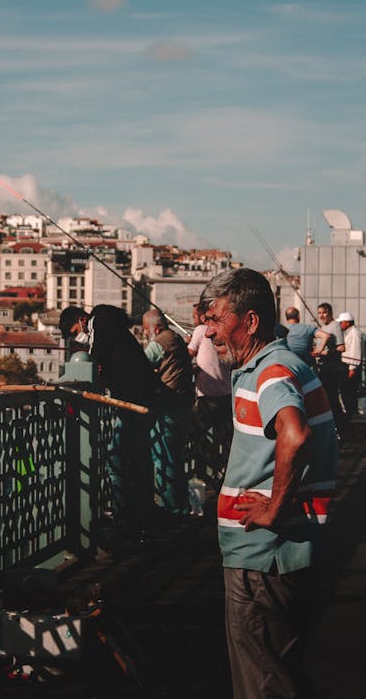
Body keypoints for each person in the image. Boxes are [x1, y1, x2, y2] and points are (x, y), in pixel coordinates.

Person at [200, 268, 338, 699]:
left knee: (261, 677)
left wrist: (273, 508)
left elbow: (294, 434)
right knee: (279, 667)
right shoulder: (276, 364)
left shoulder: (272, 371)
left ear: (252, 320)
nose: (208, 331)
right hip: (277, 553)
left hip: (262, 556)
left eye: (217, 319)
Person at [88, 305, 160, 545]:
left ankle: (124, 518)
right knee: (137, 459)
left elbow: (96, 358)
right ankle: (140, 516)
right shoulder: (124, 338)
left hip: (131, 403)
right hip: (143, 400)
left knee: (116, 459)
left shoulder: (99, 325)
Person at [142, 309, 194, 519]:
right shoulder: (177, 339)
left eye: (146, 329)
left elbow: (141, 365)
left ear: (155, 327)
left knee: (164, 459)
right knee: (177, 458)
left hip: (167, 406)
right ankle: (181, 505)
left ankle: (170, 508)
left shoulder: (159, 342)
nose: (146, 334)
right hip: (184, 405)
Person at [187, 300, 232, 447]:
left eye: (194, 317)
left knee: (195, 432)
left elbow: (189, 355)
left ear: (201, 318)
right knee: (224, 438)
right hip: (226, 394)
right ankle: (221, 466)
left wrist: (187, 344)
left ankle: (207, 461)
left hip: (207, 395)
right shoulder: (224, 330)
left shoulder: (200, 330)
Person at [317, 302, 345, 438]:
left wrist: (325, 353)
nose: (322, 315)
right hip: (324, 369)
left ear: (330, 313)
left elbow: (341, 347)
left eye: (324, 312)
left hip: (332, 370)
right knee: (326, 400)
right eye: (320, 313)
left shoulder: (335, 326)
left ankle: (341, 430)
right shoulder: (323, 327)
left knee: (333, 400)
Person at [337, 311, 362, 422]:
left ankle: (352, 414)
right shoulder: (348, 332)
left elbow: (356, 350)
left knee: (349, 392)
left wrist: (352, 368)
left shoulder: (355, 333)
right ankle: (350, 412)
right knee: (345, 391)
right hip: (345, 365)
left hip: (350, 366)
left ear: (347, 323)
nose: (340, 325)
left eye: (341, 322)